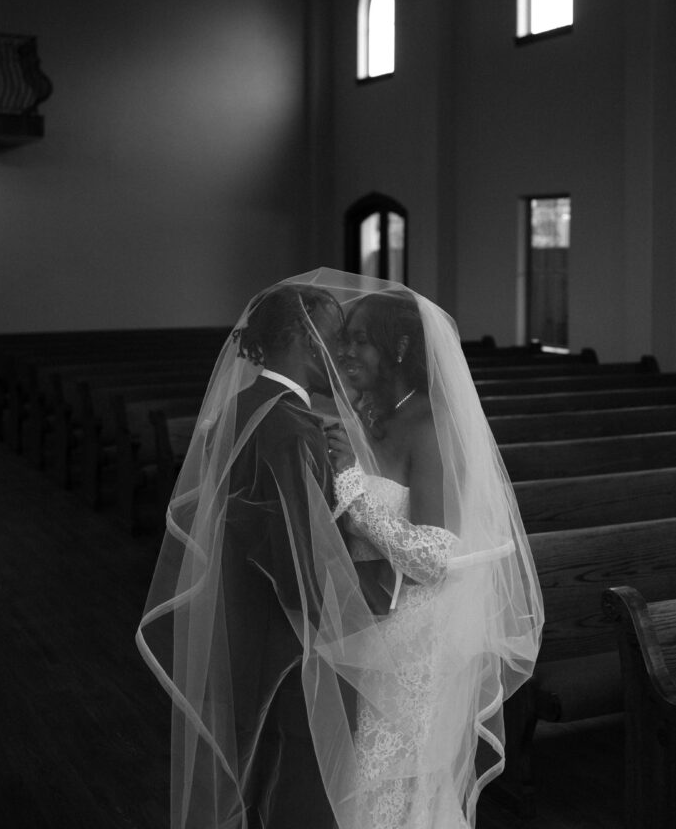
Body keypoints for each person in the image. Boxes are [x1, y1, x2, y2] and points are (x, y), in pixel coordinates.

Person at [137, 269, 543, 829]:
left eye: (357, 340)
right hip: (350, 627)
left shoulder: (426, 425)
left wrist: (352, 490)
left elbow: (432, 555)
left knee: (384, 785)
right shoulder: (343, 419)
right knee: (339, 782)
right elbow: (294, 543)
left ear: (398, 347)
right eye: (339, 338)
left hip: (401, 630)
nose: (344, 352)